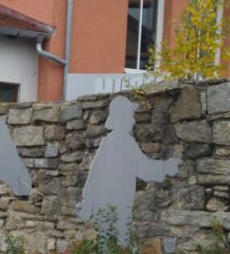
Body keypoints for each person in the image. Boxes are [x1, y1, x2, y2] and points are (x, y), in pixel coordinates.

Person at [77, 96, 179, 246]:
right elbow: (143, 168)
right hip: (116, 206)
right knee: (118, 243)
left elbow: (94, 174)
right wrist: (166, 167)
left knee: (106, 244)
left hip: (105, 206)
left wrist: (87, 201)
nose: (132, 121)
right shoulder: (124, 142)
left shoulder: (109, 142)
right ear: (122, 118)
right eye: (130, 116)